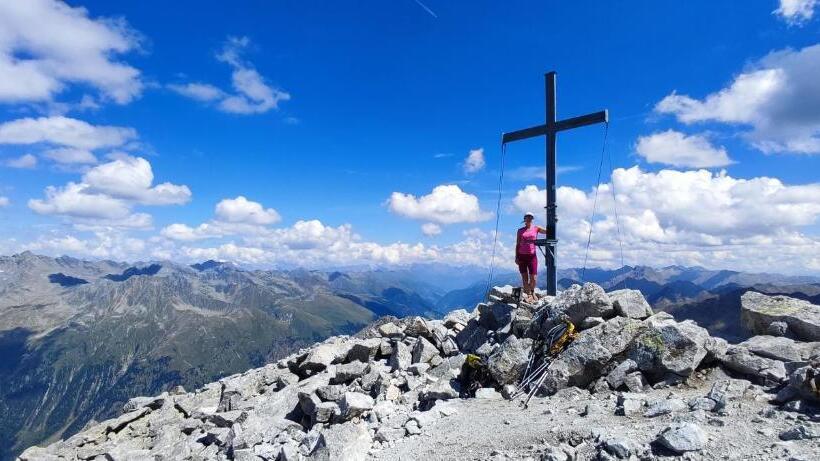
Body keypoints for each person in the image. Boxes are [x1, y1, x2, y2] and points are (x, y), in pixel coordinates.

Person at [515, 212, 548, 302]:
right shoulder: (520, 230)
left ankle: (532, 291)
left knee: (533, 278)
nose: (529, 219)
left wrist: (553, 222)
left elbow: (548, 231)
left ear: (532, 219)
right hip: (521, 256)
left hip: (532, 256)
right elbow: (518, 244)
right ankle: (529, 295)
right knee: (524, 277)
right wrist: (516, 257)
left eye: (531, 217)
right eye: (527, 217)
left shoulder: (536, 228)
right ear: (524, 219)